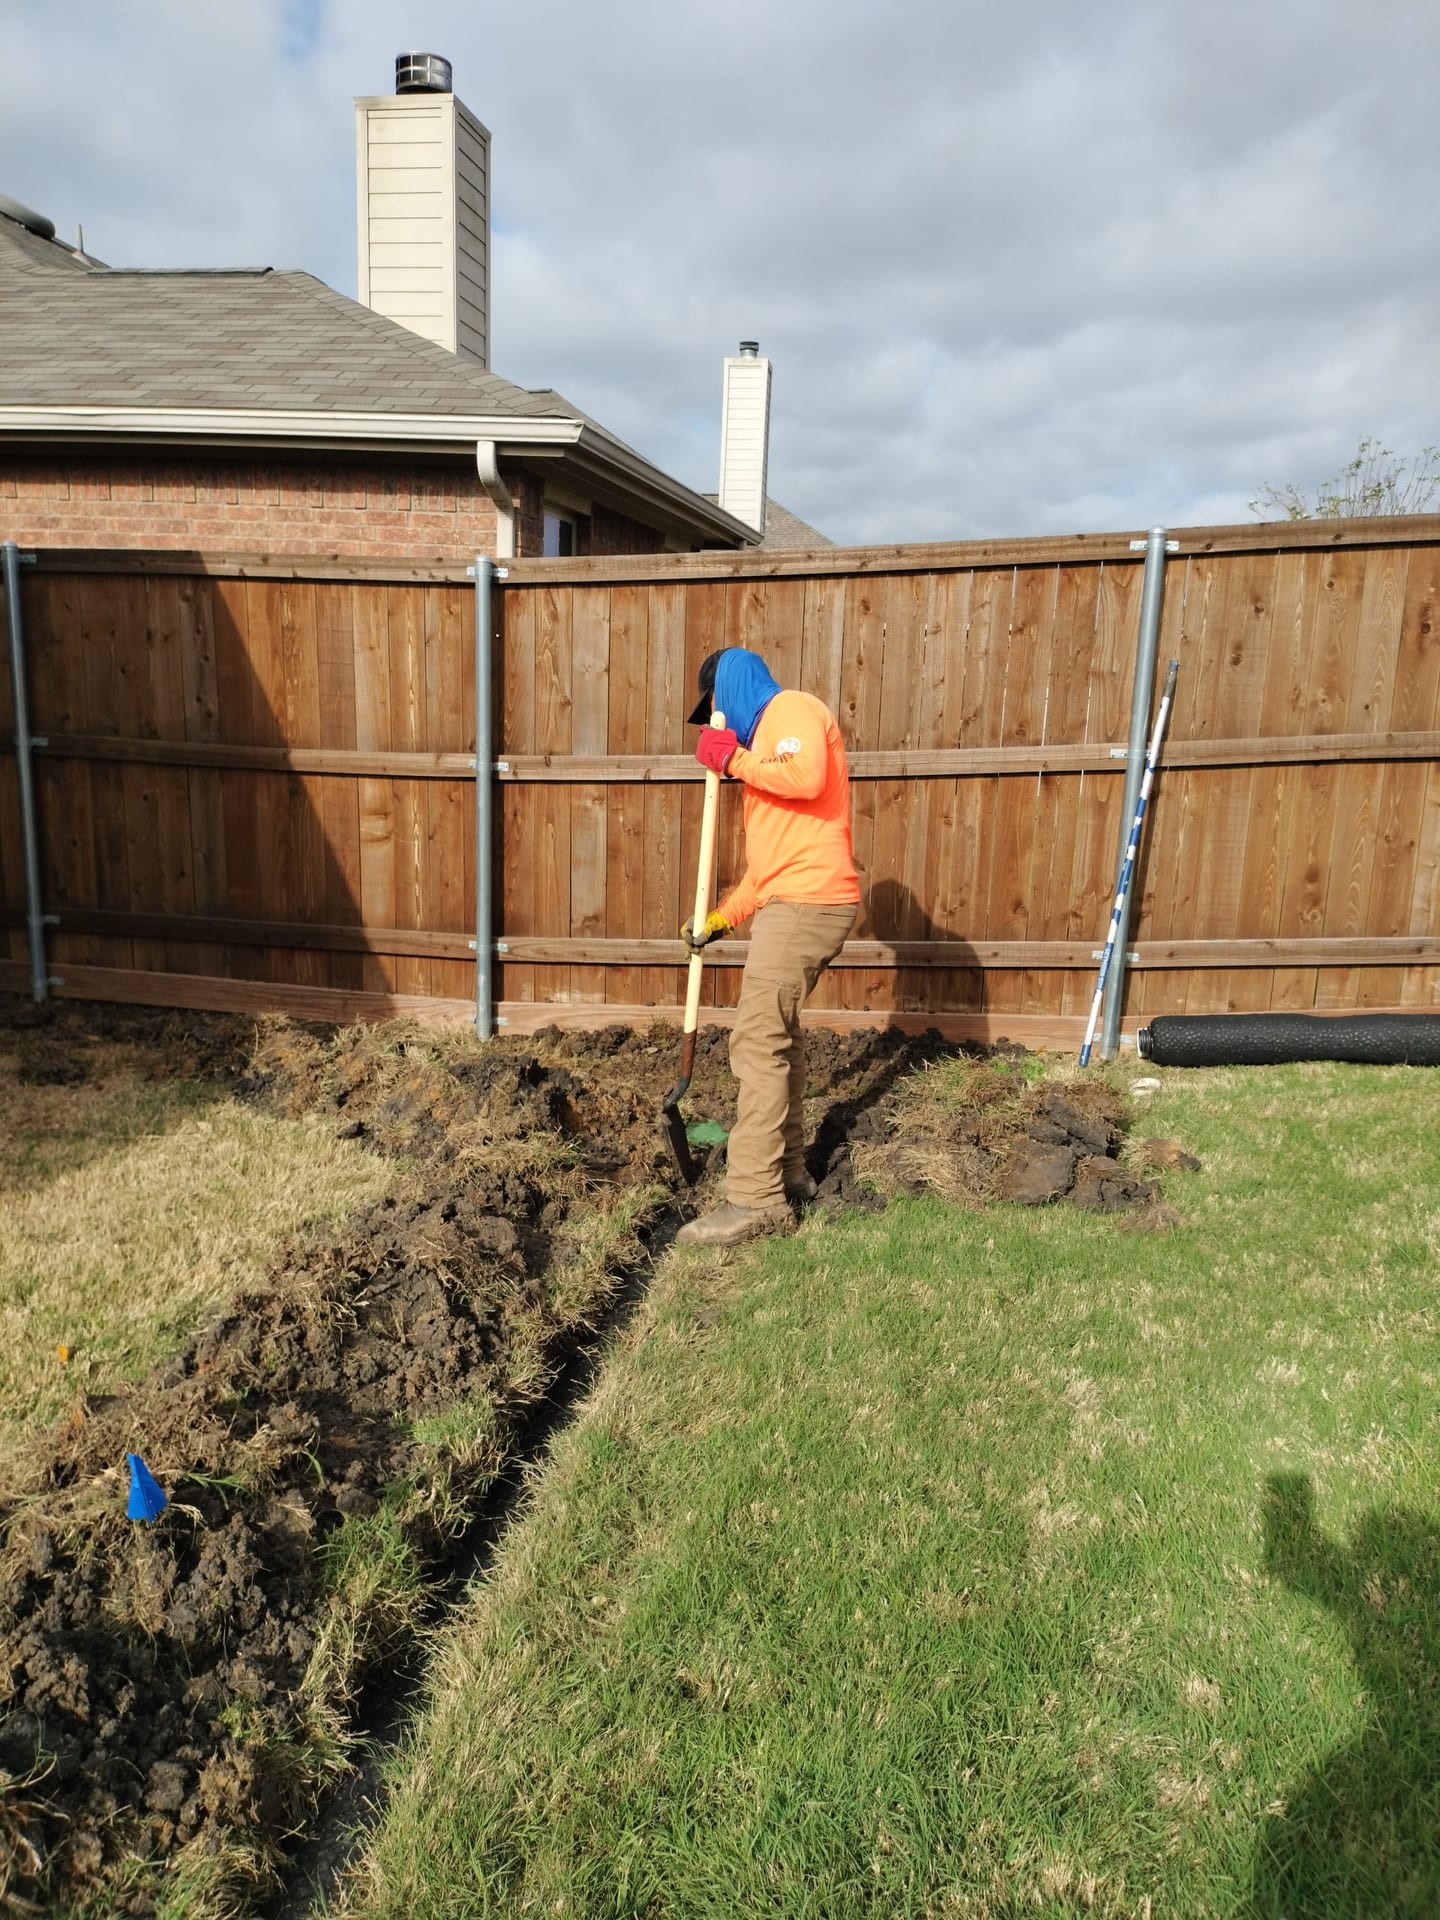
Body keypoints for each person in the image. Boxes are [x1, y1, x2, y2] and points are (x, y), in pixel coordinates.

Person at [677, 646, 860, 1247]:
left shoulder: (790, 710)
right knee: (779, 1035)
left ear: (727, 688)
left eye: (713, 711)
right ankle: (789, 1173)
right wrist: (720, 920)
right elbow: (766, 872)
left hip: (810, 903)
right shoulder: (763, 758)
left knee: (757, 1038)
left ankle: (755, 1200)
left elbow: (804, 776)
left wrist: (732, 759)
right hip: (796, 897)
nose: (714, 724)